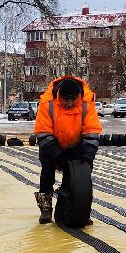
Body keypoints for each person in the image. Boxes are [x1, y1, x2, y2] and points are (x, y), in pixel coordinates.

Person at [32, 75, 102, 224]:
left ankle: (81, 210)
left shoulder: (86, 103)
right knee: (47, 175)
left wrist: (88, 153)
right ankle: (45, 209)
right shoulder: (47, 103)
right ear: (59, 96)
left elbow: (91, 131)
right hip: (51, 144)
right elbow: (43, 133)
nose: (70, 103)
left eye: (73, 99)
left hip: (76, 145)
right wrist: (58, 156)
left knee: (81, 178)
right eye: (66, 100)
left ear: (79, 96)